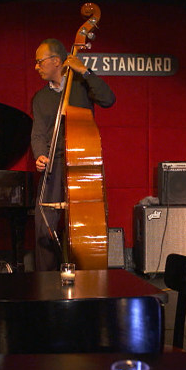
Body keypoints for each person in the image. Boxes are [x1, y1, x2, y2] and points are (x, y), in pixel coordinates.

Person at [31, 38, 116, 271]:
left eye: (40, 62)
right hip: (54, 163)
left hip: (83, 162)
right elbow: (38, 133)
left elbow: (108, 99)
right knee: (43, 222)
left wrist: (86, 72)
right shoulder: (40, 98)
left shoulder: (80, 86)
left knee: (84, 225)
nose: (36, 67)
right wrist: (39, 155)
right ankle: (46, 279)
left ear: (56, 61)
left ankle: (86, 276)